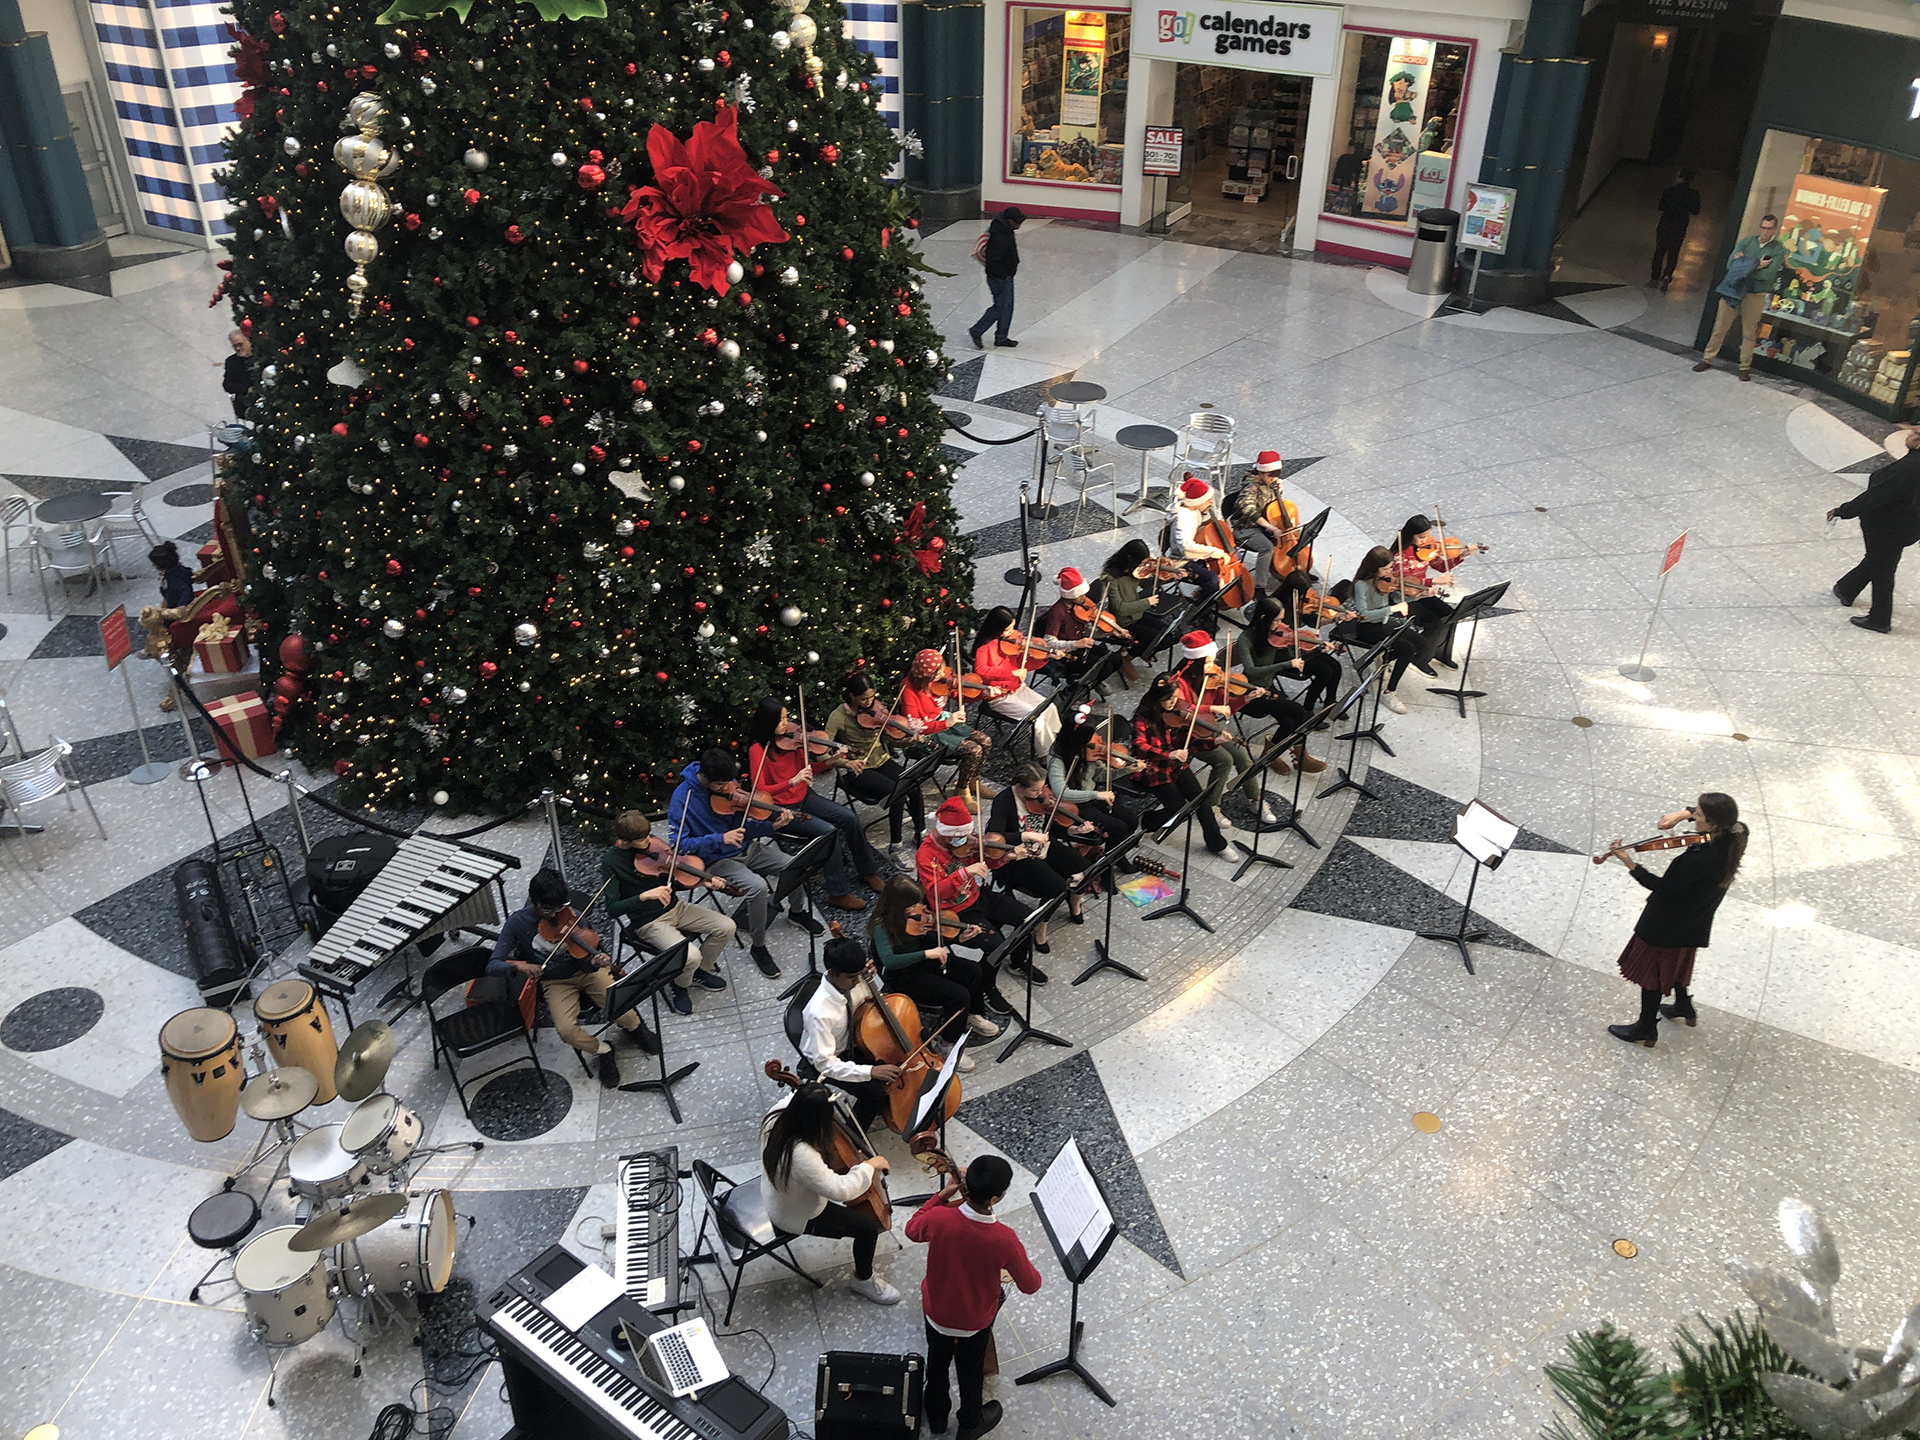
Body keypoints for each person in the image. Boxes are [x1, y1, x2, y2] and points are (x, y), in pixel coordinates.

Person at [904, 1154, 1043, 1440]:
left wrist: (939, 1198)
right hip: (973, 1321)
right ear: (997, 1197)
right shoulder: (1004, 1238)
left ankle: (938, 1417)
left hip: (937, 1313)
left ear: (965, 1182)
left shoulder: (940, 1218)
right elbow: (1031, 1285)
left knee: (938, 1364)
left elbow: (912, 1229)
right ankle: (970, 1424)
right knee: (971, 1372)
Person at [1601, 794, 1748, 1047]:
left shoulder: (1695, 860)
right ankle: (1682, 1006)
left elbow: (1660, 887)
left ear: (1711, 824)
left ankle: (1645, 1027)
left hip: (1667, 923)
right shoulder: (1738, 833)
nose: (1694, 817)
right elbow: (1708, 819)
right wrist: (1683, 812)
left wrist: (1629, 862)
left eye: (1698, 815)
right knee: (1678, 962)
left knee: (1654, 975)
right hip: (1696, 918)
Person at [487, 869, 656, 1086]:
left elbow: (591, 948)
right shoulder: (517, 923)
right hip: (554, 981)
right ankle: (604, 1050)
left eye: (561, 907)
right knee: (566, 1030)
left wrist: (595, 961)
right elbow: (493, 965)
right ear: (535, 902)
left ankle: (636, 1029)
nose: (556, 915)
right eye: (549, 910)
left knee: (619, 1001)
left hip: (586, 972)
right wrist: (521, 967)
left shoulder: (572, 913)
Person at [668, 748, 823, 976]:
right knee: (757, 887)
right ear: (704, 777)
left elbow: (746, 826)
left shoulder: (729, 786)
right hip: (717, 859)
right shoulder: (683, 798)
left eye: (728, 782)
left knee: (795, 864)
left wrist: (772, 826)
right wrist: (719, 838)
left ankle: (797, 912)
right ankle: (758, 947)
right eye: (720, 785)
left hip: (748, 847)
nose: (727, 789)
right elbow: (678, 845)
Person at [759, 1081, 899, 1306]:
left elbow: (794, 1098)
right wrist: (869, 1166)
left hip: (776, 1192)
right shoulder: (802, 1155)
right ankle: (863, 1280)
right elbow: (840, 1189)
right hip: (794, 1214)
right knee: (867, 1229)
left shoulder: (776, 1117)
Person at [747, 699, 888, 912]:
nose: (788, 723)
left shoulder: (794, 742)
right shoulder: (758, 749)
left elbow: (810, 768)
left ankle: (867, 871)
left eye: (787, 717)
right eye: (782, 719)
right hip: (781, 809)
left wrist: (831, 761)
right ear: (769, 722)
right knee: (828, 832)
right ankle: (837, 893)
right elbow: (760, 790)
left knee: (848, 817)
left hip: (805, 796)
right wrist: (792, 781)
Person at [600, 810, 739, 1017]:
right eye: (641, 839)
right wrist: (644, 896)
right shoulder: (611, 862)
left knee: (727, 927)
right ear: (624, 840)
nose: (648, 841)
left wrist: (703, 881)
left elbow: (673, 880)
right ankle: (679, 985)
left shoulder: (654, 844)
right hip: (648, 922)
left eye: (648, 835)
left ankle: (699, 972)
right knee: (690, 956)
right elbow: (612, 909)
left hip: (675, 908)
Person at [917, 797, 1035, 1002]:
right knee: (997, 946)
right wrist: (964, 873)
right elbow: (936, 892)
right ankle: (987, 987)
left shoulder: (965, 842)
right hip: (955, 911)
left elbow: (988, 862)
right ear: (947, 833)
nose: (970, 839)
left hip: (979, 897)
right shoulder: (925, 855)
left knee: (1028, 918)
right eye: (962, 835)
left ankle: (1017, 963)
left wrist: (1006, 857)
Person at [870, 876, 1001, 1052]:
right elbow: (889, 961)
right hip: (904, 977)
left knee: (973, 970)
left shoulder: (916, 915)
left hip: (925, 962)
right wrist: (927, 953)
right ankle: (946, 1044)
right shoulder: (881, 927)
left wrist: (959, 938)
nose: (918, 909)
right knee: (958, 995)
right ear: (897, 905)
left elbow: (931, 941)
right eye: (911, 906)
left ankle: (972, 1014)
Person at [797, 934, 906, 1128]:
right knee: (874, 1094)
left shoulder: (858, 977)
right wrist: (871, 1071)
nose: (858, 980)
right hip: (832, 1057)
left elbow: (870, 1007)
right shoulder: (819, 1013)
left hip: (858, 1041)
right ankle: (854, 1139)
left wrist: (872, 981)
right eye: (851, 977)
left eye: (859, 974)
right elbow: (825, 1063)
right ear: (831, 972)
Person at [986, 762, 1091, 948]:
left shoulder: (1041, 798)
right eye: (1035, 790)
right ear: (1019, 787)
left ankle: (1075, 902)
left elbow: (1055, 826)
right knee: (1056, 887)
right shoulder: (1003, 801)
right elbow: (995, 837)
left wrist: (1076, 830)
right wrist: (1025, 835)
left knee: (1086, 868)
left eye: (1042, 787)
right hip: (1017, 856)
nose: (1041, 794)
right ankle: (1041, 926)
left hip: (1042, 846)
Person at [824, 674, 927, 859]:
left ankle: (921, 832)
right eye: (864, 698)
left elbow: (893, 741)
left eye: (872, 697)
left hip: (881, 760)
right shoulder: (838, 716)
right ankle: (896, 846)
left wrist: (910, 741)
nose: (870, 702)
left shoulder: (877, 709)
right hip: (858, 768)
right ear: (852, 696)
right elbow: (823, 752)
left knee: (913, 783)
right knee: (897, 793)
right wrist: (846, 762)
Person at [1827, 427, 1920, 633]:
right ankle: (1846, 588)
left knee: (1883, 571)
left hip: (1888, 526)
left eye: (1916, 434)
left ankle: (1879, 619)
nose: (1910, 434)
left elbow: (1876, 496)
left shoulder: (1909, 468)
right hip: (1908, 526)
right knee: (1879, 559)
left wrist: (1844, 510)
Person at [1167, 630, 1260, 829]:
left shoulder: (1209, 679)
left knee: (1242, 756)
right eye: (1208, 663)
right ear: (1197, 662)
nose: (1214, 667)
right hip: (1188, 736)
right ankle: (1212, 806)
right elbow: (1183, 710)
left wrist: (1245, 699)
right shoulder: (1179, 683)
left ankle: (1256, 799)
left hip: (1210, 728)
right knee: (1224, 761)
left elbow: (1227, 707)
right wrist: (1212, 708)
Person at [1132, 673, 1229, 855]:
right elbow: (1139, 746)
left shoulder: (1178, 715)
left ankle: (1217, 844)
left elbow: (1190, 744)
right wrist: (1170, 753)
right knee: (1178, 810)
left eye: (1176, 698)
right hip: (1152, 768)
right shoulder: (1143, 715)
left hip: (1175, 765)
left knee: (1201, 801)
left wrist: (1215, 742)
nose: (1173, 703)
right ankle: (1146, 820)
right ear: (1157, 697)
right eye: (1168, 699)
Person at [898, 648, 995, 809]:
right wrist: (947, 723)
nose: (943, 674)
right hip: (925, 736)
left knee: (985, 741)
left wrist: (983, 693)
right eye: (939, 672)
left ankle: (972, 780)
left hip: (943, 723)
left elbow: (959, 694)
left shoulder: (941, 682)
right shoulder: (909, 690)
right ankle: (961, 791)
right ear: (928, 676)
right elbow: (915, 726)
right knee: (973, 750)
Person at [1693, 213, 1785, 381]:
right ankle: (1707, 359)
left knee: (1749, 332)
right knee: (1720, 327)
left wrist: (1745, 265)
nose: (1765, 232)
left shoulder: (1778, 249)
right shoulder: (1747, 242)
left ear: (1775, 230)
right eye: (1763, 228)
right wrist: (1757, 264)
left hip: (1755, 294)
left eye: (1769, 229)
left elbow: (1768, 275)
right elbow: (1731, 265)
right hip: (1733, 290)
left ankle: (1744, 366)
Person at [971, 608, 1059, 758]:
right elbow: (981, 670)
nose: (1012, 632)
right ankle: (1046, 757)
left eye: (1012, 627)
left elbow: (1024, 664)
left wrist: (1044, 657)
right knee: (1036, 718)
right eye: (1008, 629)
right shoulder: (983, 648)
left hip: (1017, 688)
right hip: (998, 696)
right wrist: (1010, 673)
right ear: (997, 628)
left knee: (1049, 707)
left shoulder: (1012, 643)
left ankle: (1057, 743)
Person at [1093, 539, 1178, 666]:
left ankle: (1137, 652)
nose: (1143, 566)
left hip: (1138, 614)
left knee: (1173, 634)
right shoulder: (1111, 578)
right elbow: (1119, 608)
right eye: (1141, 562)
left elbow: (1147, 585)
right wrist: (1147, 602)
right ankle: (1128, 657)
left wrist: (1169, 577)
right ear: (1130, 559)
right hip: (1124, 621)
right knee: (1162, 639)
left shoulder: (1134, 571)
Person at [1037, 567, 1112, 688]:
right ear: (1070, 595)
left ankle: (1092, 679)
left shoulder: (1079, 606)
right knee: (1104, 666)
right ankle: (1078, 686)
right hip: (1067, 652)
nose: (1084, 597)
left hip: (1081, 643)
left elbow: (1086, 628)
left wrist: (1107, 631)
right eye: (1080, 595)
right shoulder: (1057, 612)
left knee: (1115, 659)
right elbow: (1049, 643)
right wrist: (1076, 644)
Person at [1227, 451, 1289, 592]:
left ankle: (1289, 569)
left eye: (1276, 475)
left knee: (1287, 537)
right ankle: (1259, 587)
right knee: (1266, 548)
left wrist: (1279, 491)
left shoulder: (1271, 483)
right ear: (1261, 472)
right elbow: (1248, 509)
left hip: (1262, 525)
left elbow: (1271, 506)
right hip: (1245, 527)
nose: (1273, 478)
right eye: (1270, 475)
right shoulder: (1250, 486)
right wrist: (1269, 527)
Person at [967, 207, 1025, 350]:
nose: (1020, 225)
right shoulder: (999, 235)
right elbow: (993, 260)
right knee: (1000, 307)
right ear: (1010, 220)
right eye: (1018, 222)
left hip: (1006, 275)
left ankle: (1002, 336)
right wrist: (1003, 274)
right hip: (999, 278)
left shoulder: (1006, 229)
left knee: (1007, 307)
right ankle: (977, 330)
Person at [1168, 475, 1226, 601]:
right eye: (1207, 500)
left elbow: (1202, 528)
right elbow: (1186, 547)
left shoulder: (1194, 510)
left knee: (1227, 562)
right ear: (1197, 502)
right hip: (1180, 561)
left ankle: (1203, 592)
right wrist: (1216, 552)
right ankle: (1199, 607)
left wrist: (1205, 513)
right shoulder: (1182, 519)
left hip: (1194, 556)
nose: (1211, 501)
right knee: (1213, 580)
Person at [1650, 169, 1700, 290]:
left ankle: (1655, 276)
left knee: (1660, 250)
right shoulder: (1694, 194)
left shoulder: (1669, 190)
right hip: (1680, 225)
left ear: (1680, 176)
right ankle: (1667, 275)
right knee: (1674, 251)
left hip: (1666, 222)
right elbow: (1695, 211)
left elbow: (1661, 206)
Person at [148, 541, 196, 609]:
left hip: (176, 607)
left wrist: (181, 606)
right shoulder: (180, 569)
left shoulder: (173, 580)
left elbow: (186, 591)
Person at [222, 331, 252, 420]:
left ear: (248, 341)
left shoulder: (260, 357)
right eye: (235, 346)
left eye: (240, 344)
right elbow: (227, 385)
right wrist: (247, 389)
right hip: (245, 401)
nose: (238, 348)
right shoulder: (231, 362)